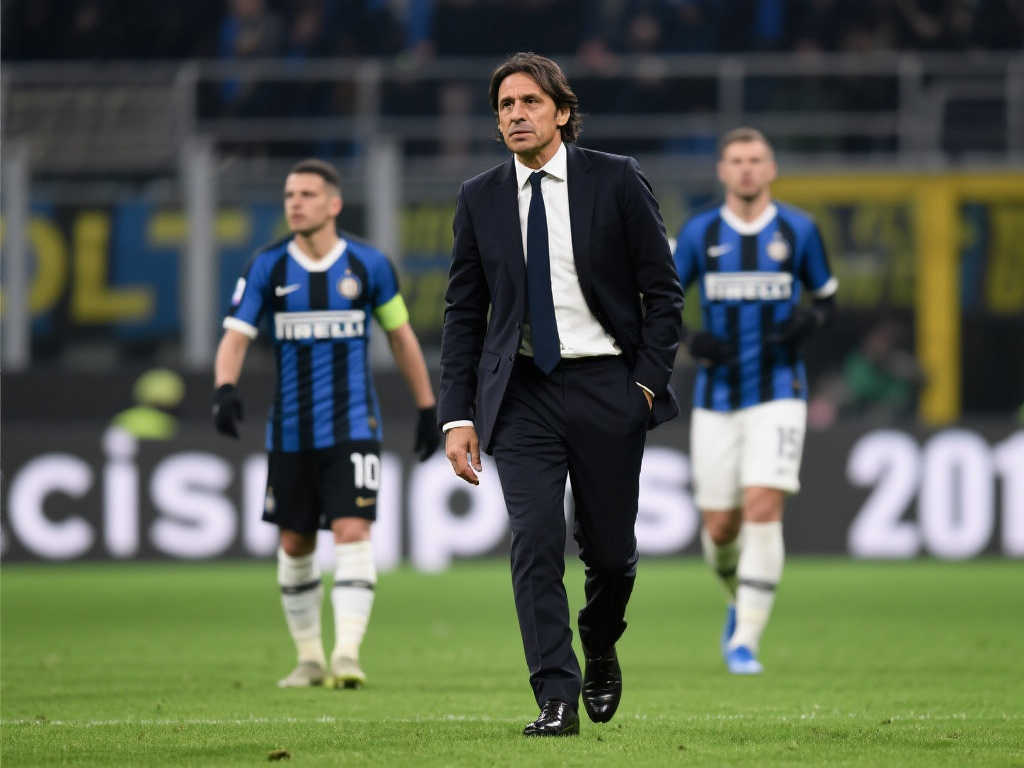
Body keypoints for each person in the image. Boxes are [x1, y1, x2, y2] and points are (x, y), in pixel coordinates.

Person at [439, 53, 684, 736]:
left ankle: (600, 641)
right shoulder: (479, 197)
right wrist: (457, 414)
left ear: (563, 112)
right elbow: (463, 314)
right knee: (535, 539)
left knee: (610, 553)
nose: (516, 114)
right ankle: (555, 694)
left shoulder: (616, 178)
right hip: (522, 392)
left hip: (609, 385)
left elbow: (664, 294)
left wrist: (644, 386)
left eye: (530, 102)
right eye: (505, 106)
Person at [212, 158, 439, 689]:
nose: (295, 203)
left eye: (307, 194)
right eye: (290, 194)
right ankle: (310, 658)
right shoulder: (267, 266)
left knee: (353, 530)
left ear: (333, 204)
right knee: (295, 542)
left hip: (353, 425)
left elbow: (401, 338)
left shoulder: (368, 265)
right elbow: (236, 336)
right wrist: (224, 388)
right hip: (290, 431)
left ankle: (347, 655)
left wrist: (429, 408)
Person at [673, 127, 838, 675]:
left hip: (780, 391)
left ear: (771, 169)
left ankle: (744, 641)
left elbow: (828, 300)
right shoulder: (699, 232)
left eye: (756, 159)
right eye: (737, 160)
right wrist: (691, 340)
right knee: (721, 528)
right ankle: (738, 597)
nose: (746, 168)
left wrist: (808, 322)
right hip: (716, 395)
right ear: (723, 170)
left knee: (764, 506)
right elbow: (660, 303)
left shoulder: (799, 229)